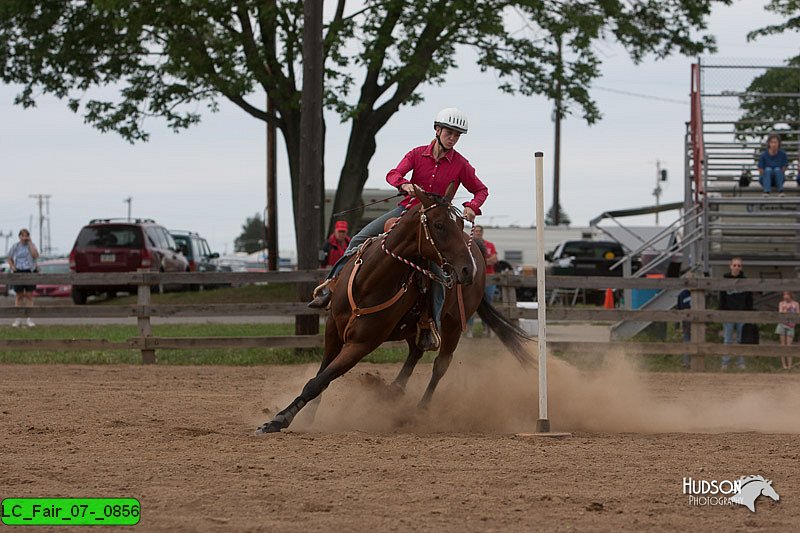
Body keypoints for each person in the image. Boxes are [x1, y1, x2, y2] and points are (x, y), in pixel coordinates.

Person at [308, 107, 489, 350]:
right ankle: (330, 288)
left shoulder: (460, 164)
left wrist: (471, 207)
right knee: (357, 240)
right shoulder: (416, 154)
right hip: (406, 212)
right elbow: (393, 174)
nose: (453, 138)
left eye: (457, 135)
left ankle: (430, 326)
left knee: (437, 273)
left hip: (435, 224)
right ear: (437, 130)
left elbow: (481, 190)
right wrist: (404, 185)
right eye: (449, 132)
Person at [719, 257, 752, 370]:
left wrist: (748, 311)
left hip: (741, 313)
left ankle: (740, 362)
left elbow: (749, 298)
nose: (737, 267)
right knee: (727, 339)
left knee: (740, 339)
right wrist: (722, 311)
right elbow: (722, 297)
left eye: (739, 265)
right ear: (730, 266)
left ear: (741, 267)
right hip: (728, 312)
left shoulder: (745, 280)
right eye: (735, 265)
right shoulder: (725, 279)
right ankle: (725, 363)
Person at [466, 225, 498, 338]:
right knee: (470, 304)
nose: (478, 233)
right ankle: (469, 329)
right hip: (474, 278)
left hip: (488, 277)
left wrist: (480, 261)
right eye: (475, 231)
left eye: (479, 231)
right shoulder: (469, 245)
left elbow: (494, 259)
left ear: (482, 233)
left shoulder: (489, 245)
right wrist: (485, 261)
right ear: (472, 232)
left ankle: (487, 329)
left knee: (488, 303)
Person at [7, 228, 39, 327]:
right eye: (23, 235)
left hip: (29, 271)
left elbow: (35, 256)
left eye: (26, 235)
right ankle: (18, 319)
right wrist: (13, 267)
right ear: (19, 236)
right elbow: (9, 257)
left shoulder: (31, 245)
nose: (24, 237)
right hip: (18, 271)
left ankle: (29, 319)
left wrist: (30, 243)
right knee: (19, 296)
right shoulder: (15, 246)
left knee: (29, 295)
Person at [776, 291, 799, 370]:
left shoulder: (795, 304)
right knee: (782, 344)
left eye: (787, 295)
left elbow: (798, 313)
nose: (785, 296)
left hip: (791, 326)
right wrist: (784, 309)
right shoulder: (781, 303)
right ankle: (784, 365)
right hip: (782, 324)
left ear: (790, 295)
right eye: (784, 295)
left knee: (789, 345)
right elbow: (780, 313)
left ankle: (789, 365)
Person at [676, 272, 692, 369]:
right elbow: (679, 310)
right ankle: (686, 363)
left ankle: (696, 362)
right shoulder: (681, 295)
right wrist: (677, 325)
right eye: (688, 279)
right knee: (686, 340)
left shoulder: (698, 292)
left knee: (697, 340)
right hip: (686, 321)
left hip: (697, 321)